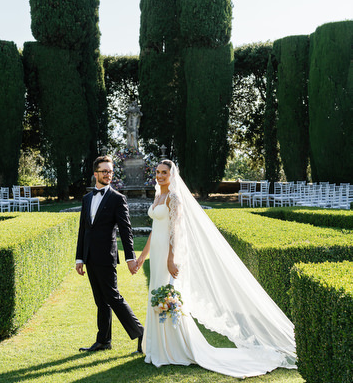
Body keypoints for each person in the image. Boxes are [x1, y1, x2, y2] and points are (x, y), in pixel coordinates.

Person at [136, 159, 297, 378]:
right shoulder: (157, 197)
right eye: (158, 172)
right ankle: (158, 347)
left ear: (173, 175)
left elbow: (176, 230)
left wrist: (171, 258)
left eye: (164, 172)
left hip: (166, 254)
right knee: (156, 293)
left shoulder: (174, 198)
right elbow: (155, 230)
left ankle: (175, 348)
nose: (160, 175)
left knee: (167, 295)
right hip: (155, 254)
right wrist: (142, 257)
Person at [76, 155, 144, 353]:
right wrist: (80, 257)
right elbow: (83, 229)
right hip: (89, 257)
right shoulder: (87, 198)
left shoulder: (117, 199)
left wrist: (130, 257)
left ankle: (142, 333)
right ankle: (103, 340)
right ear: (95, 174)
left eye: (110, 171)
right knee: (100, 301)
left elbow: (126, 230)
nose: (108, 174)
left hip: (106, 257)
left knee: (113, 298)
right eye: (104, 171)